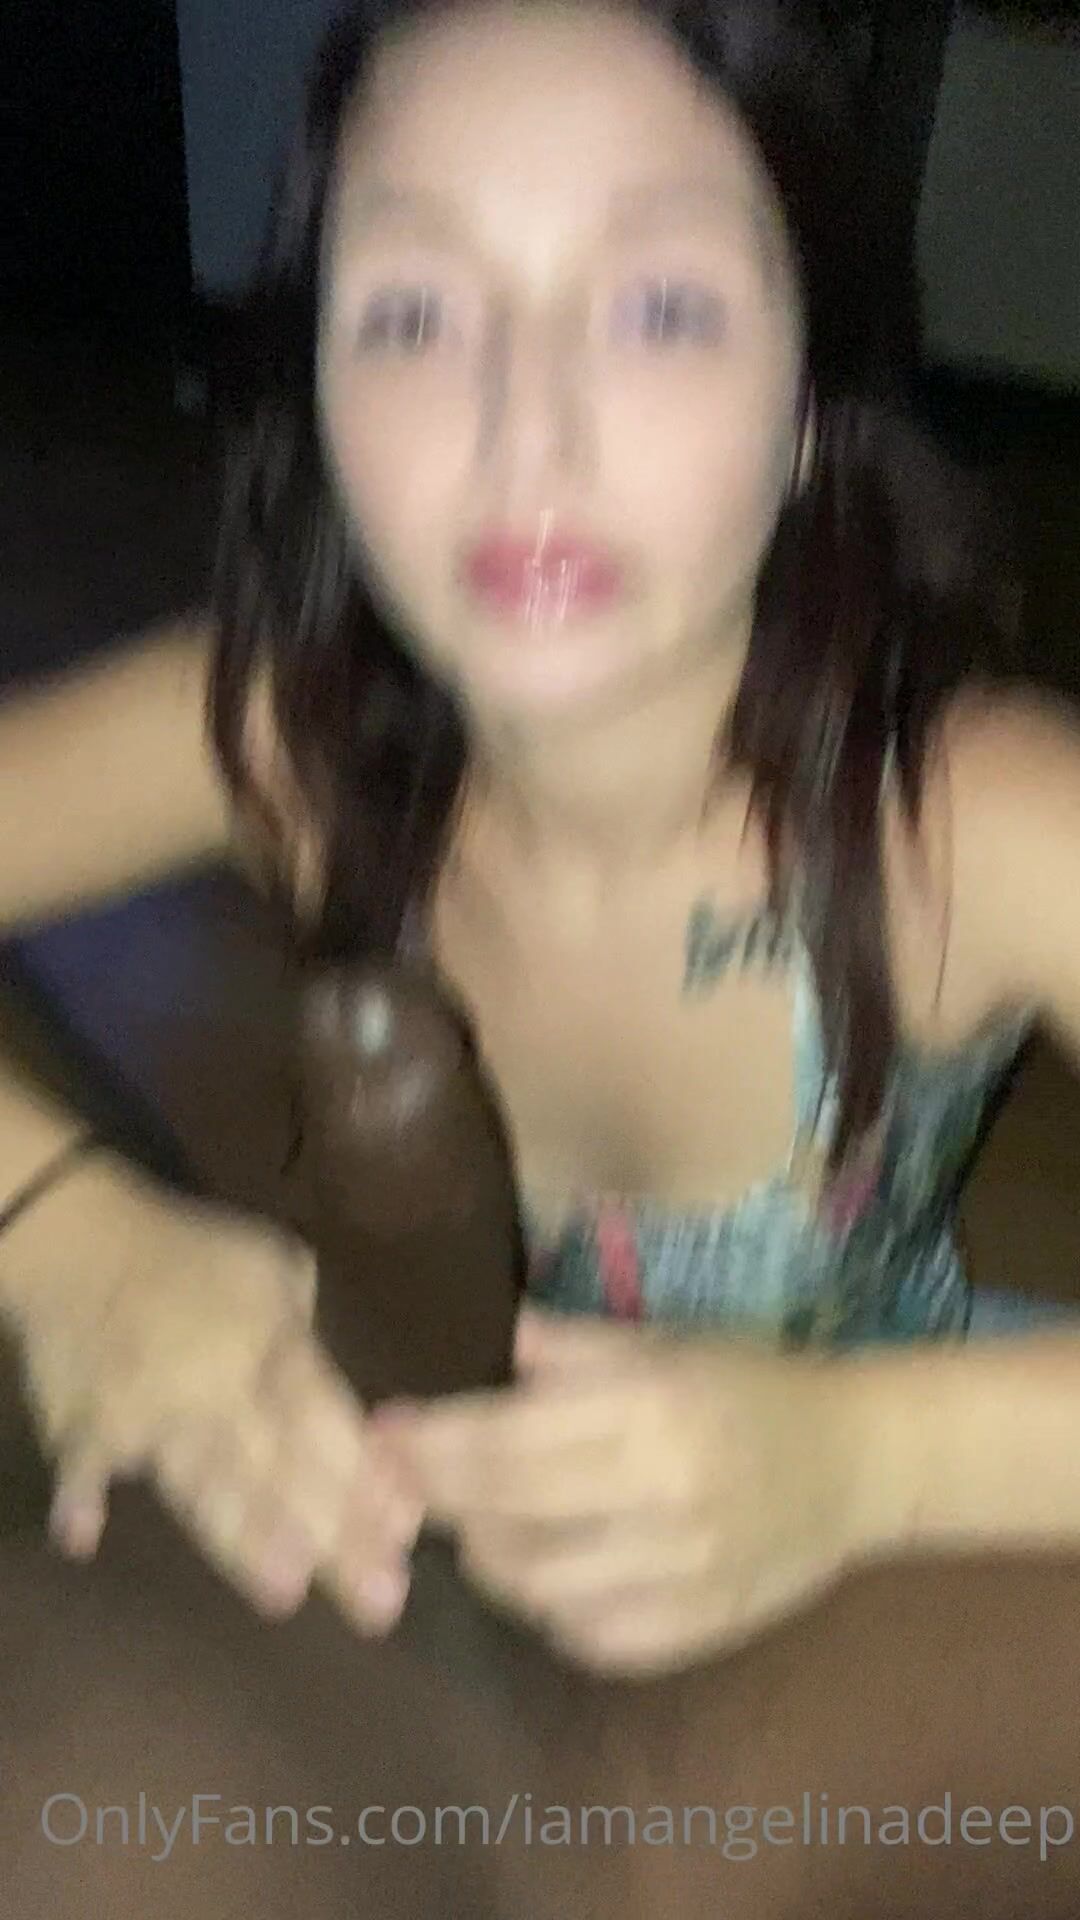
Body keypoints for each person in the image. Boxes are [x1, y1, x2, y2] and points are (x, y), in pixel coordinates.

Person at [4, 0, 1080, 1682]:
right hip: (426, 1568)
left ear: (812, 396)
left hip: (924, 1590)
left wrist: (870, 1462)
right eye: (415, 313)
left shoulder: (970, 825)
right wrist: (64, 1239)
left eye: (659, 308)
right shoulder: (296, 741)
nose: (528, 432)